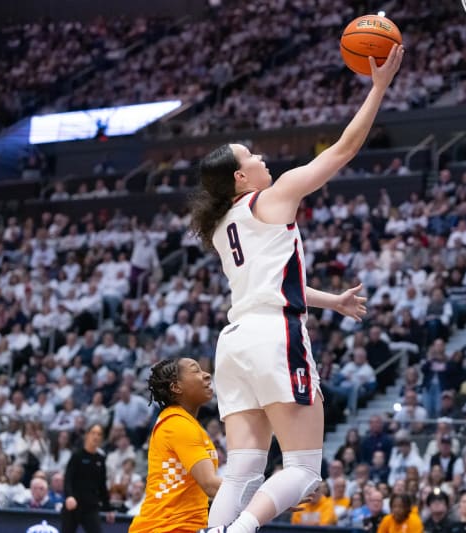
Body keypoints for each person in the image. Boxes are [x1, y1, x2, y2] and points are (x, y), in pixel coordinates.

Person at [193, 44, 405, 533]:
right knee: (304, 470)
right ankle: (243, 530)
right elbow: (344, 150)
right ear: (240, 177)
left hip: (235, 343)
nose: (262, 156)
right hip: (273, 337)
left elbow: (271, 281)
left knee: (243, 469)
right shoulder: (273, 196)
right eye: (252, 155)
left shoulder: (222, 222)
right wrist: (377, 89)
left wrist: (328, 299)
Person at [128, 357, 221, 533]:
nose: (207, 375)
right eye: (196, 371)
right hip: (164, 528)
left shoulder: (188, 424)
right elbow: (211, 485)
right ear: (176, 387)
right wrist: (266, 498)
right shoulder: (177, 425)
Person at [62, 424, 114, 533]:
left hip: (91, 507)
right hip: (73, 505)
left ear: (101, 439)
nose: (96, 436)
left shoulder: (100, 459)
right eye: (93, 433)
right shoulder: (77, 456)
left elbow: (102, 486)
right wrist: (69, 496)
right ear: (87, 435)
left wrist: (108, 508)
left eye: (99, 434)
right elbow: (68, 478)